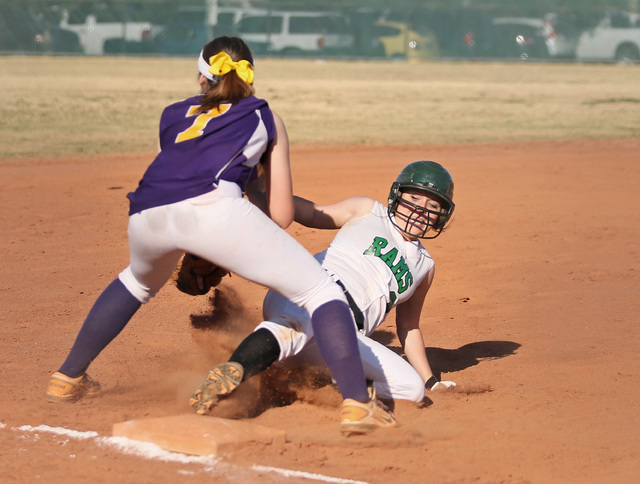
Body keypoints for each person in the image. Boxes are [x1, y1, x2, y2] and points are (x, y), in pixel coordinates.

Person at [46, 36, 396, 435]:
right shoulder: (266, 116)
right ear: (249, 77)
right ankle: (356, 406)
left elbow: (182, 178)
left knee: (138, 282)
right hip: (213, 209)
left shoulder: (172, 114)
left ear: (202, 76)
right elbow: (280, 214)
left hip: (146, 211)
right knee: (323, 294)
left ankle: (67, 377)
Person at [195, 160, 457, 415]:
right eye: (415, 198)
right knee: (298, 324)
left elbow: (409, 327)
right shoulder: (367, 210)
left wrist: (430, 381)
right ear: (397, 196)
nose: (421, 209)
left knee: (411, 389)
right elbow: (311, 212)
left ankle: (322, 381)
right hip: (310, 292)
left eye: (433, 205)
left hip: (342, 338)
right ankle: (232, 372)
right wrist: (261, 196)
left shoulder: (425, 266)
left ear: (440, 217)